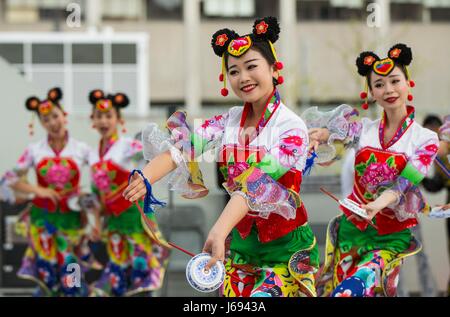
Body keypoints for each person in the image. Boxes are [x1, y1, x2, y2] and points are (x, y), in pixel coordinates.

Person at [123, 16, 319, 297]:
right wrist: (146, 177)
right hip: (239, 251)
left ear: (275, 70)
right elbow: (181, 147)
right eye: (234, 71)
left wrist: (218, 231)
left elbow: (256, 184)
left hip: (284, 253)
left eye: (252, 67)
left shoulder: (291, 127)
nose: (243, 77)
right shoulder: (229, 121)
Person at [304, 44, 440, 297]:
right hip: (350, 232)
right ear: (371, 93)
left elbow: (405, 183)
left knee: (351, 291)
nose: (388, 90)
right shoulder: (363, 129)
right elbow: (335, 135)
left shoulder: (425, 139)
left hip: (389, 237)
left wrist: (379, 202)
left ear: (408, 84)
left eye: (394, 81)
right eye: (379, 84)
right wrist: (320, 135)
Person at [0, 88, 95, 296]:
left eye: (55, 116)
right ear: (41, 124)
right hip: (43, 222)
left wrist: (90, 202)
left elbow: (102, 174)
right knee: (47, 278)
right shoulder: (35, 150)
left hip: (73, 222)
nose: (52, 122)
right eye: (46, 119)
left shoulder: (82, 149)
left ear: (64, 116)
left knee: (73, 278)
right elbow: (9, 179)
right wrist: (37, 190)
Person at [87, 90, 169, 296]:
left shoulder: (126, 147)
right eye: (99, 116)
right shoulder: (91, 155)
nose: (104, 121)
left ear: (118, 119)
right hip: (113, 228)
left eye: (109, 116)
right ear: (93, 120)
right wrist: (96, 223)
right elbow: (96, 196)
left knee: (139, 282)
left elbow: (155, 152)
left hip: (135, 224)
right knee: (114, 285)